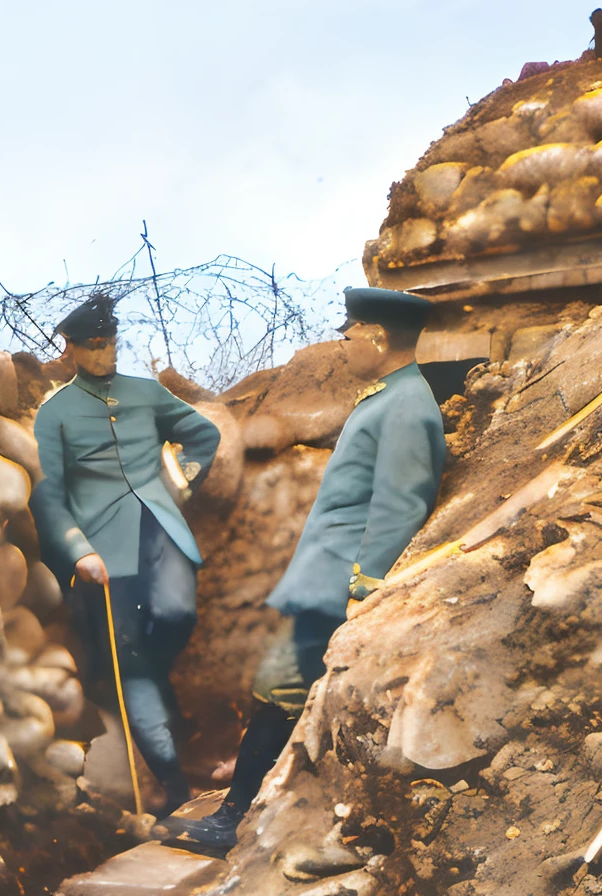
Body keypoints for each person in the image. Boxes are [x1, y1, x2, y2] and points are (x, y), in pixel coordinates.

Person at [173, 286, 449, 853]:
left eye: (350, 331)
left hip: (338, 585)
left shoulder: (406, 404)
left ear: (377, 335)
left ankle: (234, 824)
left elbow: (401, 504)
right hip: (324, 578)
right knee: (276, 688)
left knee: (281, 688)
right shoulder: (386, 398)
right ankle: (235, 817)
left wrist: (363, 587)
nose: (343, 341)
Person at [30, 292, 223, 816]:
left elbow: (202, 433)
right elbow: (49, 492)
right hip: (103, 552)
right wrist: (77, 552)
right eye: (94, 346)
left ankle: (161, 694)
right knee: (132, 666)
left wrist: (183, 481)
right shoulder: (56, 414)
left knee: (177, 614)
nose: (106, 354)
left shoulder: (145, 393)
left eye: (111, 343)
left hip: (161, 529)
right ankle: (173, 789)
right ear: (68, 348)